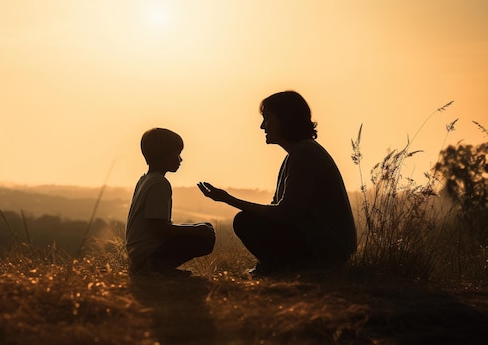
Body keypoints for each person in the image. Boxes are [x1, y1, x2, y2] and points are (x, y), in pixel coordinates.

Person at [198, 90, 356, 276]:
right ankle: (280, 267)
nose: (262, 126)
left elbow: (285, 213)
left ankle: (289, 268)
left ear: (284, 119)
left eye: (267, 118)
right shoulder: (297, 154)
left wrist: (228, 199)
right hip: (321, 243)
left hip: (326, 247)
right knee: (249, 221)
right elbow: (278, 210)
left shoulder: (304, 154)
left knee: (244, 221)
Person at [126, 128, 216, 277]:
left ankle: (158, 267)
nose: (180, 160)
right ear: (163, 156)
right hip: (148, 253)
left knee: (204, 228)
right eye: (177, 154)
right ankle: (157, 267)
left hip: (138, 252)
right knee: (204, 238)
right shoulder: (160, 183)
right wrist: (195, 230)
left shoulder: (145, 179)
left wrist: (196, 227)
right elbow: (158, 228)